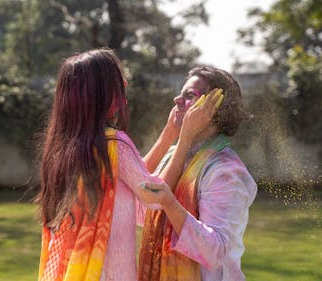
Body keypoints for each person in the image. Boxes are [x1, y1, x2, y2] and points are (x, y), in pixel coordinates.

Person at [35, 49, 220, 281]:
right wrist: (185, 137)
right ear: (98, 94)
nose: (124, 82)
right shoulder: (114, 142)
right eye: (116, 80)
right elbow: (153, 195)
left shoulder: (70, 147)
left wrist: (168, 134)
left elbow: (131, 176)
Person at [138, 66, 257, 281]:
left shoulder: (226, 171)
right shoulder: (176, 154)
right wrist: (171, 135)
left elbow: (215, 252)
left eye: (189, 95)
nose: (177, 100)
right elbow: (141, 207)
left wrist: (169, 202)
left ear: (213, 109)